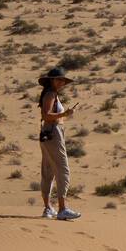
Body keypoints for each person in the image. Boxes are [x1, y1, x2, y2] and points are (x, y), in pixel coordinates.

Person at [38, 67, 81, 220]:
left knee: (48, 171)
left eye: (63, 80)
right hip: (53, 133)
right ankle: (62, 208)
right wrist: (65, 114)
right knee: (62, 170)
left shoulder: (50, 93)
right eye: (59, 79)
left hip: (49, 133)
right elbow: (46, 115)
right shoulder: (50, 94)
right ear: (52, 80)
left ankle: (48, 208)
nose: (62, 82)